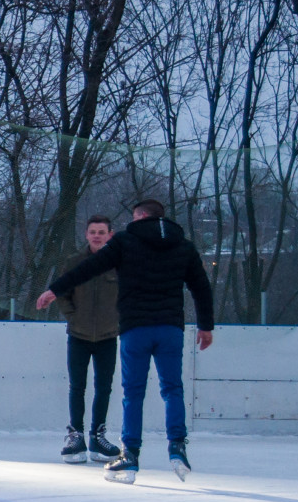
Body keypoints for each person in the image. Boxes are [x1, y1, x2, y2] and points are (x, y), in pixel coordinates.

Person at [36, 199, 215, 483]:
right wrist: (206, 326)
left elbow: (90, 268)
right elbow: (201, 287)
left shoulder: (126, 241)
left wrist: (55, 290)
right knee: (173, 389)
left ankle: (130, 456)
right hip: (170, 328)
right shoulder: (183, 245)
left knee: (134, 393)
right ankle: (177, 447)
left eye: (134, 216)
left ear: (141, 216)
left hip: (136, 328)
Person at [52, 215, 120, 464]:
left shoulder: (118, 263)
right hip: (78, 335)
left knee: (104, 387)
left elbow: (128, 295)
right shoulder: (74, 262)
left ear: (110, 234)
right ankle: (75, 435)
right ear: (86, 234)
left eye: (102, 232)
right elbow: (61, 291)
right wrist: (73, 316)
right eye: (93, 232)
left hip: (108, 336)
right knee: (77, 386)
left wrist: (118, 320)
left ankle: (97, 436)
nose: (97, 236)